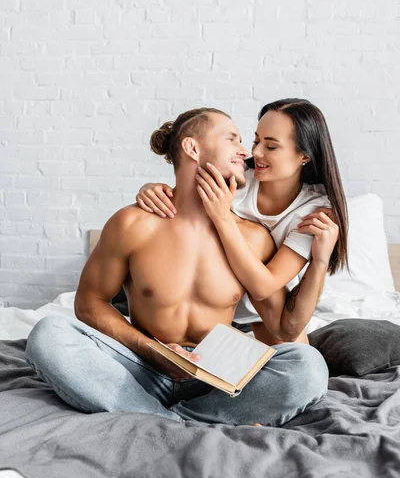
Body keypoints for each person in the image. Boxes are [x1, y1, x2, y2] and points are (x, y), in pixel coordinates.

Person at [25, 107, 332, 427]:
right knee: (49, 333)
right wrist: (150, 350)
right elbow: (89, 303)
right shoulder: (133, 223)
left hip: (216, 379)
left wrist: (320, 261)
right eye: (233, 139)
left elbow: (284, 328)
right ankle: (182, 422)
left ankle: (157, 418)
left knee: (308, 366)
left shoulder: (253, 239)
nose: (247, 152)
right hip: (141, 366)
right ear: (192, 148)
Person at [136, 98, 348, 345]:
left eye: (271, 147)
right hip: (208, 302)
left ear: (303, 155)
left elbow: (264, 287)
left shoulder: (315, 210)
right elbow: (185, 188)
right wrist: (152, 189)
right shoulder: (236, 176)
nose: (254, 152)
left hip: (265, 309)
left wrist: (320, 260)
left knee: (300, 363)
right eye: (256, 140)